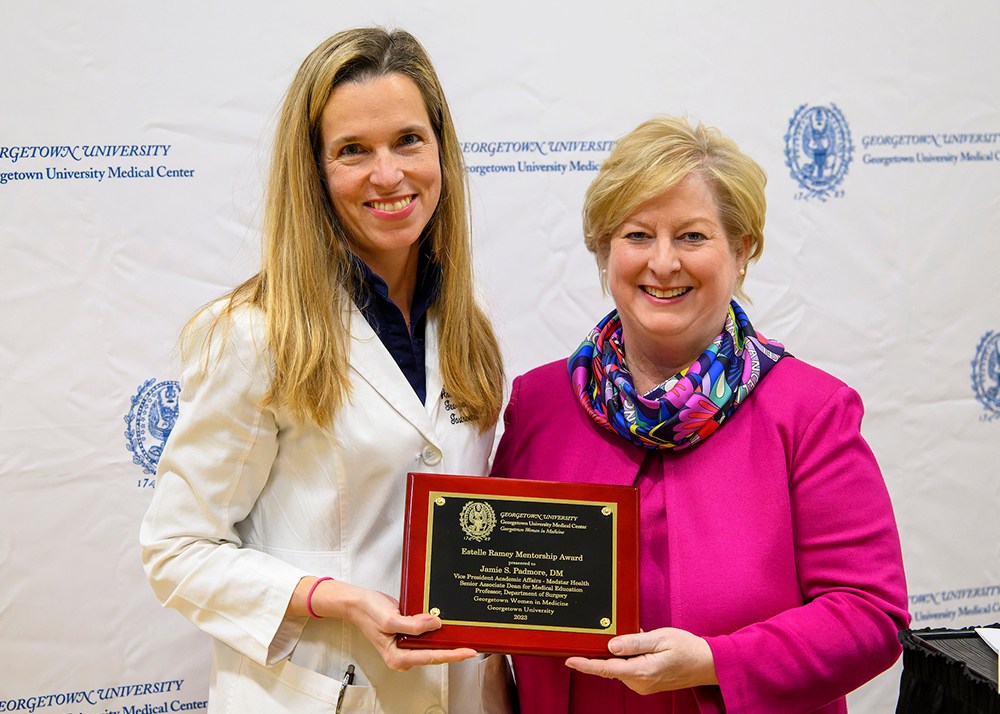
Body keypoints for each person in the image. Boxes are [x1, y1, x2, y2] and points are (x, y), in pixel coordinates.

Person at [140, 28, 507, 713]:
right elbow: (177, 550)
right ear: (314, 172)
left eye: (407, 140)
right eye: (352, 152)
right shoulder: (254, 332)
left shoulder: (467, 322)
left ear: (441, 151)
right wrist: (333, 600)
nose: (389, 174)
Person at [490, 115, 910, 713]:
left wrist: (718, 663)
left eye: (692, 236)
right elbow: (489, 589)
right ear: (606, 251)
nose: (663, 264)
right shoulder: (539, 403)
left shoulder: (810, 411)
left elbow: (871, 615)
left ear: (741, 251)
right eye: (638, 235)